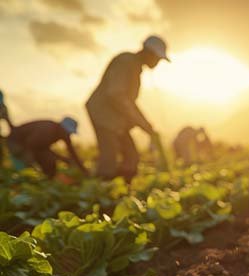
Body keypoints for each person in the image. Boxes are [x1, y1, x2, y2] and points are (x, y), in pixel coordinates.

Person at [86, 35, 170, 182]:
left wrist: (145, 123)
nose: (157, 63)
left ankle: (123, 190)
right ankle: (102, 191)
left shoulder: (135, 66)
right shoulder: (126, 61)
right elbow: (116, 94)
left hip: (115, 118)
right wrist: (141, 123)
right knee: (109, 158)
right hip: (104, 115)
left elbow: (128, 101)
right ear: (149, 53)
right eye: (157, 58)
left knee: (132, 157)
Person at [6, 117, 87, 178]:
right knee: (29, 167)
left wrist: (84, 170)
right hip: (16, 142)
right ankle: (29, 180)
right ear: (62, 128)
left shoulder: (63, 134)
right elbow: (31, 146)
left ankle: (46, 179)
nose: (68, 135)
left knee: (49, 161)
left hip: (32, 145)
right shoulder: (47, 131)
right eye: (67, 132)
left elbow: (72, 152)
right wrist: (62, 159)